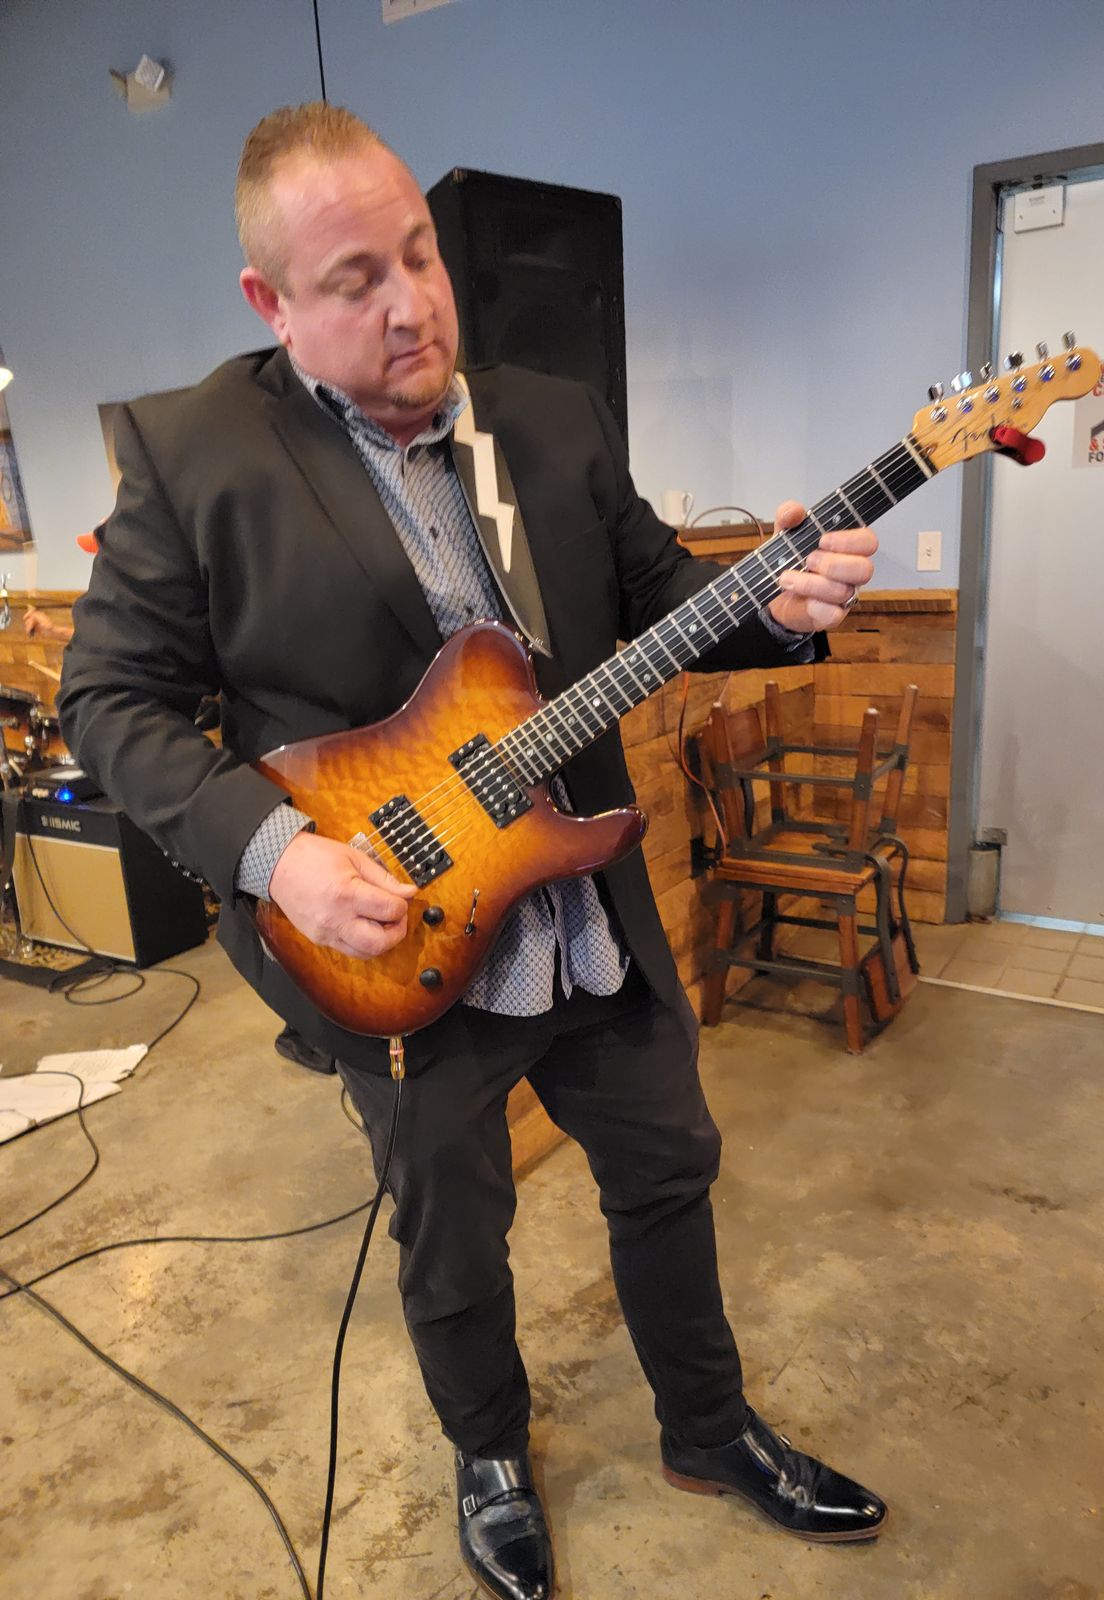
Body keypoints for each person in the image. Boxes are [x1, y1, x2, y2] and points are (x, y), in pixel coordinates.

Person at [59, 104, 884, 1600]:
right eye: (356, 279)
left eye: (421, 256)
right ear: (270, 302)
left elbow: (661, 596)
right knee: (454, 1236)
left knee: (669, 1172)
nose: (413, 305)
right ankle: (492, 1455)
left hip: (584, 914)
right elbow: (108, 699)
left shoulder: (551, 416)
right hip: (394, 940)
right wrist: (278, 857)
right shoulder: (194, 455)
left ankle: (708, 1430)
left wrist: (776, 604)